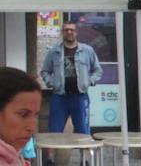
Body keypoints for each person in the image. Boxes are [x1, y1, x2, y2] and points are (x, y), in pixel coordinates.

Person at [39, 18, 102, 156]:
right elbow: (45, 71)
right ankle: (50, 160)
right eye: (66, 30)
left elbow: (97, 70)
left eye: (72, 30)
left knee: (83, 130)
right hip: (59, 96)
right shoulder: (54, 52)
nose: (69, 32)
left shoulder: (87, 50)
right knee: (54, 130)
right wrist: (51, 83)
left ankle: (84, 160)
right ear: (62, 32)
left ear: (76, 32)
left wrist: (89, 82)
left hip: (80, 96)